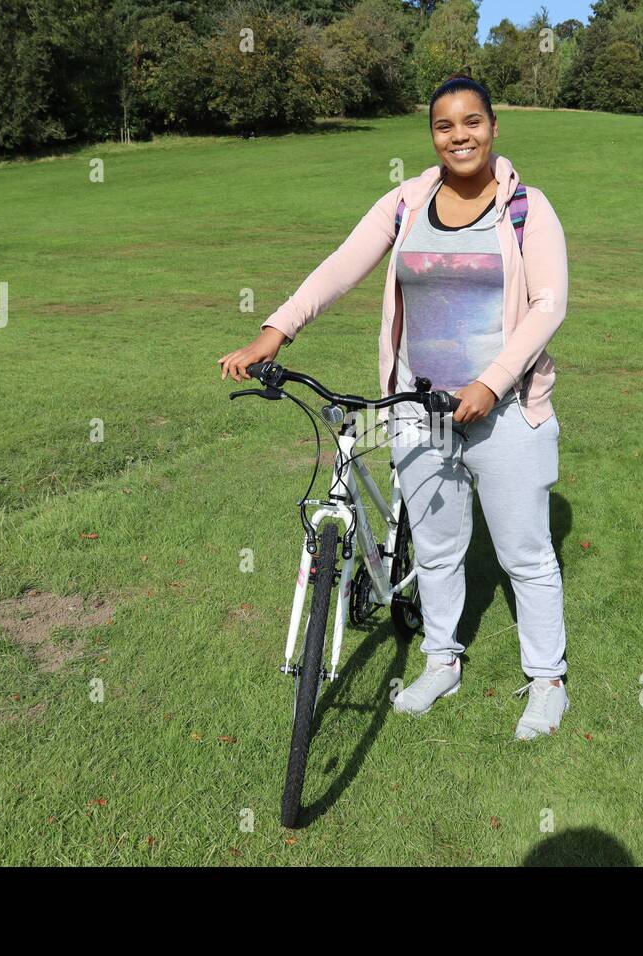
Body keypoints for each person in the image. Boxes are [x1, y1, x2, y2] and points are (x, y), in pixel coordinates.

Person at [218, 74, 569, 740]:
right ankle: (442, 661)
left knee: (526, 553)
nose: (459, 135)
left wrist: (490, 383)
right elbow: (338, 268)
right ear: (432, 134)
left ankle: (547, 680)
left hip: (507, 410)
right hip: (417, 406)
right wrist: (274, 332)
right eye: (444, 125)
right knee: (436, 552)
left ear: (493, 127)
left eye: (472, 122)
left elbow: (548, 306)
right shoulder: (408, 202)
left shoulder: (528, 209)